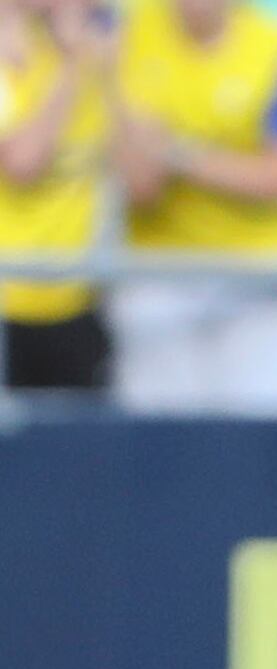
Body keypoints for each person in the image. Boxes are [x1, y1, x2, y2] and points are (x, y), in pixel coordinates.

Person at [110, 0, 277, 415]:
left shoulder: (275, 42)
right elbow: (140, 182)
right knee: (163, 443)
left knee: (261, 441)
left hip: (261, 276)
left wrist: (180, 155)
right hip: (162, 275)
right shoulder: (129, 33)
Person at [0, 0, 109, 393]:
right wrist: (73, 70)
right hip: (9, 299)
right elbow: (23, 161)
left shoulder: (104, 53)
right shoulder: (14, 58)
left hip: (80, 299)